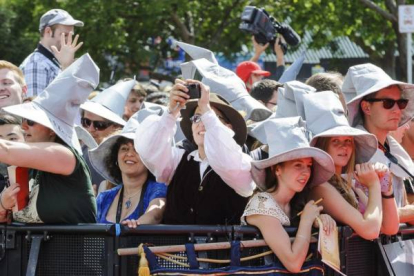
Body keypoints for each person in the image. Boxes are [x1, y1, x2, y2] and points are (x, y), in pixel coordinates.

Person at [135, 79, 255, 225]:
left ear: (228, 129)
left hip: (222, 247)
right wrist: (171, 111)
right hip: (173, 246)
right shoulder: (178, 159)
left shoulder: (243, 163)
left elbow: (227, 163)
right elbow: (150, 150)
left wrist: (206, 110)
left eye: (211, 117)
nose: (202, 123)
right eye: (197, 118)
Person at [0, 54, 98, 224]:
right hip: (32, 250)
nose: (23, 127)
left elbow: (6, 150)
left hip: (73, 250)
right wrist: (2, 206)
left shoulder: (64, 155)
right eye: (23, 120)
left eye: (31, 121)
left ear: (52, 130)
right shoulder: (26, 167)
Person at [242, 116, 336, 273]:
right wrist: (306, 220)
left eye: (309, 165)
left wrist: (320, 220)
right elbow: (293, 263)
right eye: (298, 165)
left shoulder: (297, 201)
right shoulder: (262, 205)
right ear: (277, 169)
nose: (305, 172)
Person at [304, 92, 399, 238]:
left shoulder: (350, 183)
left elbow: (389, 227)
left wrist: (386, 188)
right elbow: (370, 230)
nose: (344, 147)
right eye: (335, 141)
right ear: (322, 146)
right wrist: (374, 185)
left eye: (348, 141)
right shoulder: (320, 187)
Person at [343, 63, 414, 225]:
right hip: (370, 250)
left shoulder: (393, 150)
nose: (397, 110)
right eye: (388, 103)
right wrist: (408, 213)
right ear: (366, 107)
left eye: (401, 103)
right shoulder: (350, 152)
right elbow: (365, 215)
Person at [89, 111, 167, 227]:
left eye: (137, 149)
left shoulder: (158, 189)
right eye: (124, 149)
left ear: (149, 158)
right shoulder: (104, 198)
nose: (129, 154)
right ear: (115, 157)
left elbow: (155, 215)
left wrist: (136, 225)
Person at [80, 79, 136, 192]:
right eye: (86, 122)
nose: (90, 129)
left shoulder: (124, 158)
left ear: (117, 127)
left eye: (99, 125)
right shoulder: (82, 150)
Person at [20, 9, 84, 97]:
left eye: (70, 35)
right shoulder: (36, 63)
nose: (68, 40)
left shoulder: (52, 61)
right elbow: (34, 106)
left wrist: (67, 67)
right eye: (65, 35)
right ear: (48, 31)